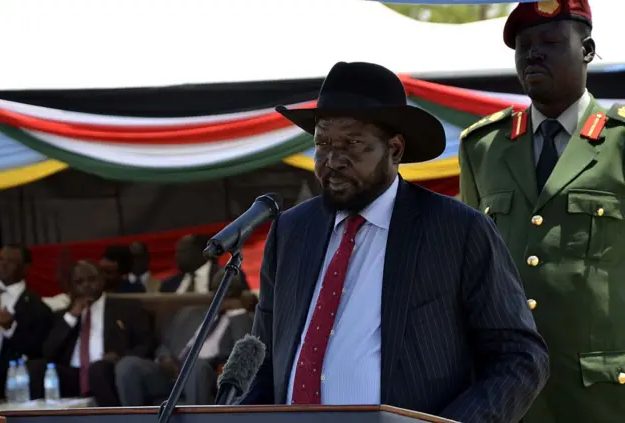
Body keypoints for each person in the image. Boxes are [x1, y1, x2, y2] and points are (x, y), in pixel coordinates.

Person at [239, 61, 549, 423]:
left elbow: (520, 357)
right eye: (322, 143)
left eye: (353, 143)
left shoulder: (457, 230)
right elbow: (262, 358)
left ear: (395, 149)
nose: (333, 160)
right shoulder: (291, 230)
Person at [458, 1, 625, 422]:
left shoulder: (620, 144)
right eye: (523, 45)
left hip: (600, 392)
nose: (532, 53)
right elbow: (469, 269)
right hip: (505, 389)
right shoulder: (483, 146)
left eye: (550, 42)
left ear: (587, 50)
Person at [115, 269, 253, 405]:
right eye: (218, 288)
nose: (223, 294)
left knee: (196, 366)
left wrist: (237, 313)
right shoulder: (190, 313)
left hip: (206, 375)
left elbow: (244, 354)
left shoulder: (246, 320)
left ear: (239, 292)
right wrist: (164, 358)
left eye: (229, 290)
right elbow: (165, 345)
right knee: (128, 365)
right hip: (171, 373)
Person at [28, 260, 153, 406]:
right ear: (72, 287)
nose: (86, 285)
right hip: (73, 375)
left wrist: (120, 359)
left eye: (92, 279)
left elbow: (146, 344)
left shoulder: (127, 309)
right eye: (79, 282)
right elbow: (49, 352)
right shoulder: (64, 315)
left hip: (108, 371)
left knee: (98, 370)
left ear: (102, 279)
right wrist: (72, 316)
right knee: (35, 368)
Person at [0, 244, 52, 399]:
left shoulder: (37, 307)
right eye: (0, 259)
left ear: (25, 268)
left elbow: (35, 350)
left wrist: (10, 328)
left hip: (7, 373)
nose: (2, 264)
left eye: (11, 261)